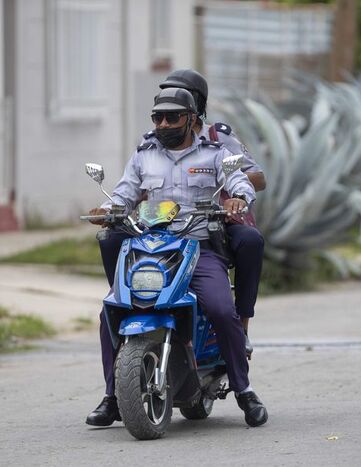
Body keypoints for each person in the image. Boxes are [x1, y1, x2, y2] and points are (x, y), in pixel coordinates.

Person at [86, 69, 266, 427]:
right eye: (158, 117)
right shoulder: (143, 155)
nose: (164, 123)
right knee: (110, 313)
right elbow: (123, 193)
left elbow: (242, 182)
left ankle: (244, 390)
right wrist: (106, 211)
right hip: (151, 246)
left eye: (172, 117)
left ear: (192, 117)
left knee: (219, 307)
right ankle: (112, 396)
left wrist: (237, 201)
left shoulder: (215, 152)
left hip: (198, 248)